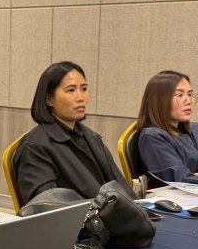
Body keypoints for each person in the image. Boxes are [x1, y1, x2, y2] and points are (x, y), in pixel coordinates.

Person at [14, 61, 135, 204]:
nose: (81, 97)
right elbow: (45, 208)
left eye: (84, 89)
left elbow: (122, 190)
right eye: (71, 90)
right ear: (49, 99)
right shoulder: (34, 147)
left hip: (111, 214)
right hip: (82, 218)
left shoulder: (92, 137)